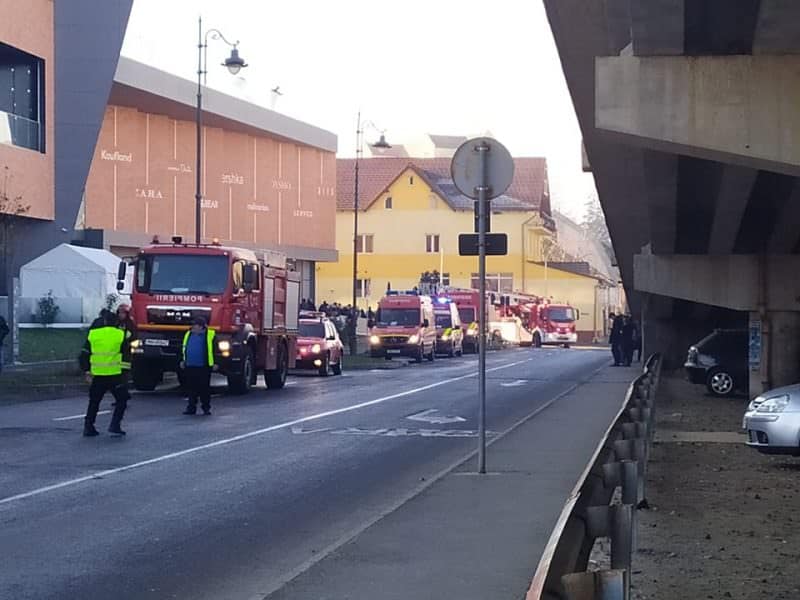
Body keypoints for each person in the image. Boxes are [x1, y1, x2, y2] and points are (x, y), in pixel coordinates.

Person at [79, 311, 129, 437]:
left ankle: (88, 427)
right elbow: (126, 357)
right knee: (122, 400)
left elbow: (84, 355)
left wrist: (86, 371)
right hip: (115, 375)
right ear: (116, 322)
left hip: (97, 375)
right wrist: (125, 374)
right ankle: (115, 425)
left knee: (94, 402)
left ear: (105, 321)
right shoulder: (120, 335)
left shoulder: (93, 335)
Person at [180, 316, 216, 416]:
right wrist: (183, 360)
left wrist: (216, 363)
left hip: (204, 366)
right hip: (190, 365)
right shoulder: (188, 334)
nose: (193, 327)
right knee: (191, 389)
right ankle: (191, 408)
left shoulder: (210, 335)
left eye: (195, 326)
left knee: (204, 388)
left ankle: (206, 408)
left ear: (201, 327)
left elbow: (215, 350)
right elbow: (184, 348)